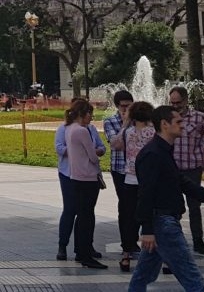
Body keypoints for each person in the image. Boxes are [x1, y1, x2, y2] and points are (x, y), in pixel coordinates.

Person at [126, 104, 204, 292]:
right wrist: (147, 229)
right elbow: (145, 194)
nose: (182, 125)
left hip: (163, 221)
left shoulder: (163, 151)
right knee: (192, 277)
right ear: (164, 125)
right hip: (163, 223)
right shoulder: (152, 154)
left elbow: (180, 182)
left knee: (142, 276)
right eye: (177, 122)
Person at [55, 99, 106, 263]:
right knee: (72, 210)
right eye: (90, 113)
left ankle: (84, 247)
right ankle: (63, 245)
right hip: (71, 173)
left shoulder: (87, 129)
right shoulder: (69, 129)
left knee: (85, 213)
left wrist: (90, 150)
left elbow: (101, 147)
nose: (92, 117)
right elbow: (60, 148)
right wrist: (81, 151)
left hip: (79, 173)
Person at [168, 86, 204, 253]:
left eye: (178, 102)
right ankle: (176, 240)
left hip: (192, 167)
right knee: (173, 207)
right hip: (173, 168)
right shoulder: (168, 117)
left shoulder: (198, 117)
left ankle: (198, 240)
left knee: (194, 206)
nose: (175, 106)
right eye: (172, 103)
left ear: (186, 101)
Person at [119, 101, 155, 273]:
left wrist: (125, 123)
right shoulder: (153, 132)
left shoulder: (128, 132)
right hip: (148, 180)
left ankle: (126, 255)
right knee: (153, 217)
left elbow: (117, 144)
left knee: (129, 218)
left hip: (129, 179)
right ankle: (161, 257)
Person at [103, 90, 135, 268]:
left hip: (135, 171)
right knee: (125, 207)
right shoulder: (110, 121)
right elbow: (116, 144)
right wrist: (124, 124)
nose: (127, 109)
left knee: (138, 206)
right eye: (123, 106)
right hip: (119, 169)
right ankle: (126, 243)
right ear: (117, 106)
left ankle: (133, 240)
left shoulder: (139, 121)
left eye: (129, 105)